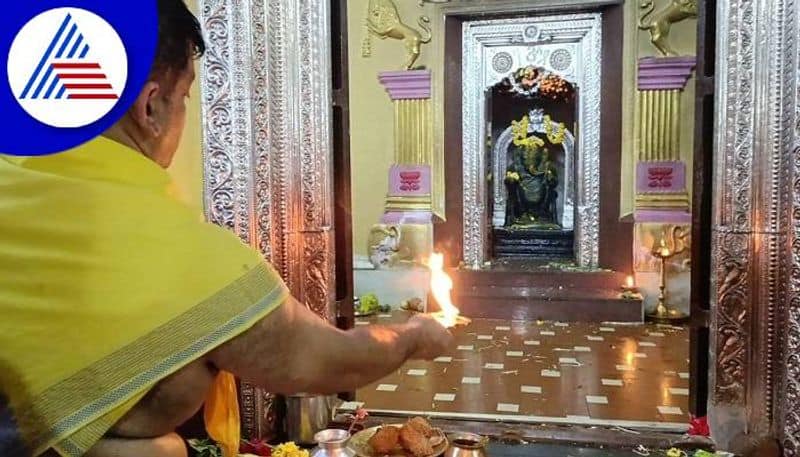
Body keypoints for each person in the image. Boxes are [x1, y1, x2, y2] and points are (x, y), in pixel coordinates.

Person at [0, 1, 454, 456]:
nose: (182, 112)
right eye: (184, 97)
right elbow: (324, 359)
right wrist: (413, 336)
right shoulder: (176, 252)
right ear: (150, 106)